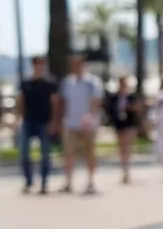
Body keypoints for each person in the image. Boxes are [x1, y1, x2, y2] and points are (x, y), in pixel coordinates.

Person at [57, 54, 103, 195]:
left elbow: (96, 101)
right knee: (68, 153)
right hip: (71, 123)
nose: (77, 67)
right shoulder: (67, 82)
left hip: (89, 124)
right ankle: (68, 182)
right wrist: (60, 120)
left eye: (79, 64)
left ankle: (91, 181)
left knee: (90, 153)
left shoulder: (92, 82)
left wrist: (89, 116)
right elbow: (63, 103)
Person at [17, 56, 59, 194]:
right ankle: (28, 181)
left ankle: (44, 183)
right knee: (24, 153)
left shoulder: (49, 83)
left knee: (45, 154)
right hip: (29, 121)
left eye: (41, 64)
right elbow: (21, 101)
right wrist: (20, 118)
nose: (38, 67)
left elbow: (54, 103)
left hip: (44, 121)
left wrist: (53, 122)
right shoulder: (26, 83)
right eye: (36, 64)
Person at [106, 75, 143, 184]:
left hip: (129, 124)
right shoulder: (114, 97)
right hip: (119, 124)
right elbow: (110, 110)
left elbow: (138, 109)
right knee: (121, 148)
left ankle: (127, 170)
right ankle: (124, 168)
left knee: (127, 147)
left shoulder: (131, 97)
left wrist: (130, 107)